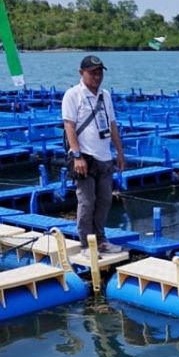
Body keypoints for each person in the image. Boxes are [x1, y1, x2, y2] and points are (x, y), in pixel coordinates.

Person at [62, 55, 126, 252]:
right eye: (92, 73)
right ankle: (86, 244)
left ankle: (101, 239)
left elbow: (112, 125)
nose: (97, 76)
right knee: (87, 202)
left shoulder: (105, 95)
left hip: (105, 157)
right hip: (85, 158)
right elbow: (69, 127)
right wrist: (77, 155)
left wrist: (120, 152)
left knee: (105, 200)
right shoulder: (73, 95)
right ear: (82, 73)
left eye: (99, 72)